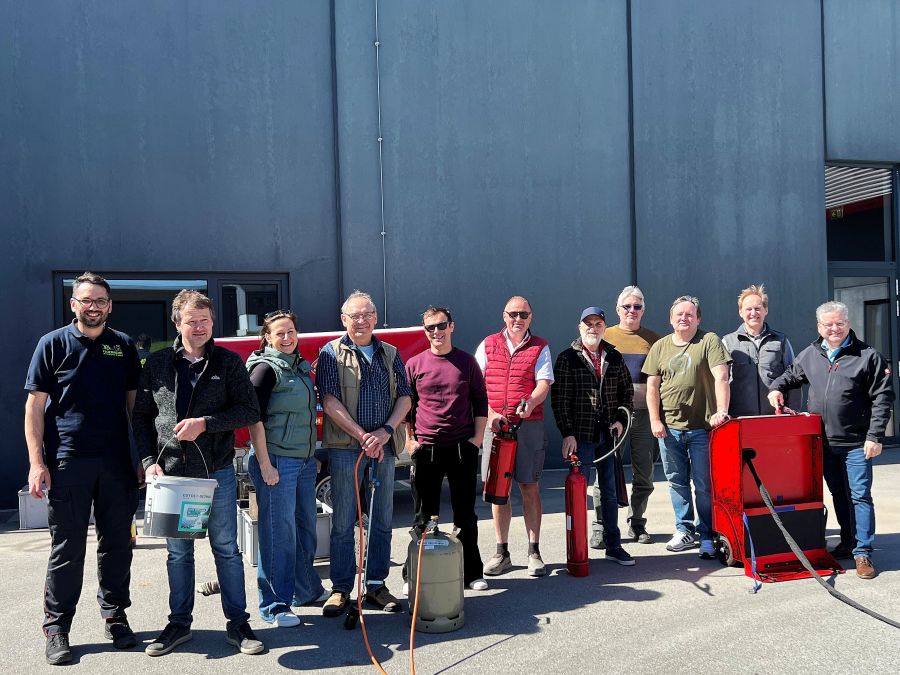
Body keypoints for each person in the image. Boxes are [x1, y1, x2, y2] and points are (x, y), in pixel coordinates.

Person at [133, 290, 264, 657]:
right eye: (192, 320)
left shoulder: (228, 362)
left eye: (205, 320)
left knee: (226, 550)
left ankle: (239, 623)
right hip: (171, 477)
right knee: (178, 553)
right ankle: (178, 624)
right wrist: (148, 462)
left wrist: (205, 423)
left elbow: (249, 411)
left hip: (216, 474)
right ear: (177, 323)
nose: (200, 327)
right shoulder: (157, 364)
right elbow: (141, 418)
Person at [24, 272, 142, 665]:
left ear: (109, 305)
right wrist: (36, 462)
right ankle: (57, 627)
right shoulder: (52, 344)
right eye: (86, 300)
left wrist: (140, 458)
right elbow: (35, 408)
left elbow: (133, 410)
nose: (93, 307)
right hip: (68, 461)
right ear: (73, 303)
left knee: (117, 545)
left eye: (101, 301)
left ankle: (115, 616)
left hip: (115, 464)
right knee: (67, 548)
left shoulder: (122, 346)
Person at [768, 301, 893, 579]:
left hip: (857, 442)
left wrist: (875, 435)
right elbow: (790, 375)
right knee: (839, 494)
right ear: (819, 327)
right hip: (823, 442)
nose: (834, 329)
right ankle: (848, 542)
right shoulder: (811, 353)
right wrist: (776, 389)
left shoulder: (868, 356)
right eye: (828, 325)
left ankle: (863, 553)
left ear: (848, 324)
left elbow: (882, 398)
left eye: (839, 323)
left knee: (860, 496)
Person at [316, 291, 412, 616]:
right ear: (343, 320)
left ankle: (375, 586)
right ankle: (341, 588)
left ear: (375, 317)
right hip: (346, 449)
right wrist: (361, 435)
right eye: (353, 316)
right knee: (343, 520)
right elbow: (329, 401)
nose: (360, 321)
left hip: (383, 448)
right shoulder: (330, 352)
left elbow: (406, 397)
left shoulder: (391, 352)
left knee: (382, 519)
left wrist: (384, 432)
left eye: (366, 314)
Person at [245, 310, 329, 628]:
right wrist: (266, 464)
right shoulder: (265, 369)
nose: (287, 337)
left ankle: (304, 590)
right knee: (278, 534)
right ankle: (274, 604)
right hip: (277, 461)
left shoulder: (297, 367)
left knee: (305, 527)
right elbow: (254, 420)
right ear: (267, 337)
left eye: (291, 331)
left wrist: (311, 455)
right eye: (279, 333)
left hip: (303, 461)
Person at [405, 306, 489, 590]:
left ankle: (472, 573)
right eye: (431, 328)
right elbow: (407, 407)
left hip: (462, 448)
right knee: (424, 516)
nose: (437, 332)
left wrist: (477, 440)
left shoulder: (466, 363)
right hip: (426, 449)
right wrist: (410, 440)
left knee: (465, 514)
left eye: (441, 326)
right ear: (425, 331)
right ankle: (414, 576)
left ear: (451, 326)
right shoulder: (415, 364)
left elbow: (480, 401)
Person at [642, 295, 731, 559]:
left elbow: (722, 376)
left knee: (703, 484)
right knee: (676, 482)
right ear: (671, 319)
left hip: (703, 429)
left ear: (698, 318)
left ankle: (707, 534)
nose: (684, 318)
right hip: (669, 429)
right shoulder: (659, 346)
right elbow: (652, 387)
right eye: (679, 314)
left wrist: (722, 411)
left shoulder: (709, 341)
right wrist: (655, 420)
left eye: (689, 314)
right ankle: (684, 529)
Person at [476, 295, 554, 577]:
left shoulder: (540, 347)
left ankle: (534, 552)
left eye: (523, 314)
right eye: (513, 314)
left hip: (528, 425)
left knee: (529, 488)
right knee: (499, 491)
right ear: (504, 316)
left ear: (531, 317)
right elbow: (476, 386)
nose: (518, 319)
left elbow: (544, 383)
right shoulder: (487, 345)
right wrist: (490, 413)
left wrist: (531, 402)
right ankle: (502, 552)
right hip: (495, 427)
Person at [552, 307, 635, 565]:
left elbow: (627, 392)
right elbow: (560, 400)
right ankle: (576, 550)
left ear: (604, 327)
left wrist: (621, 420)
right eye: (588, 323)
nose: (593, 328)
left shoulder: (614, 355)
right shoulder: (568, 358)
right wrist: (567, 433)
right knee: (578, 494)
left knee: (609, 492)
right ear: (580, 327)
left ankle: (613, 545)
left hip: (608, 437)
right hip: (581, 437)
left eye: (598, 323)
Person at [598, 286, 661, 546]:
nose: (631, 311)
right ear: (618, 309)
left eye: (637, 307)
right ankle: (601, 524)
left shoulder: (654, 340)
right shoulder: (605, 336)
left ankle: (637, 523)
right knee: (605, 473)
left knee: (644, 473)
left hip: (645, 416)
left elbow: (660, 380)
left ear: (643, 310)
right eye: (627, 307)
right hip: (614, 417)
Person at [723, 284, 800, 416]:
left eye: (758, 308)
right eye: (748, 309)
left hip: (775, 416)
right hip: (740, 418)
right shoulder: (728, 342)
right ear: (740, 312)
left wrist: (793, 411)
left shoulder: (781, 341)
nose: (753, 313)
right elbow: (721, 380)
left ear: (766, 310)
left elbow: (793, 376)